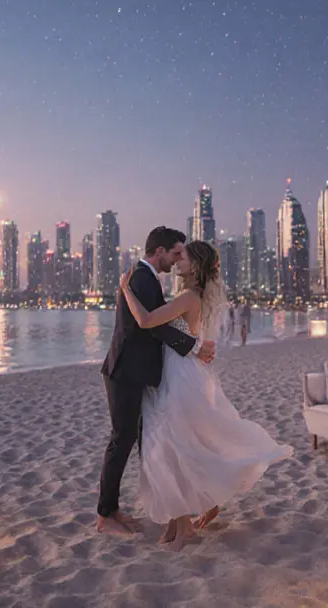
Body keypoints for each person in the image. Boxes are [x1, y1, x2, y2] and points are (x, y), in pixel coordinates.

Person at [119, 240, 292, 549]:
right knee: (173, 444)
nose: (176, 260)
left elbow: (145, 321)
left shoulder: (188, 296)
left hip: (178, 374)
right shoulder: (191, 295)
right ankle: (178, 521)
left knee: (170, 445)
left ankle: (183, 525)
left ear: (195, 265)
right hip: (184, 370)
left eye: (181, 256)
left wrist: (126, 290)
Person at [96, 227, 216, 537]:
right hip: (125, 373)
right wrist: (194, 346)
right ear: (159, 251)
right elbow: (152, 327)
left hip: (142, 374)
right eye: (176, 253)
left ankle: (130, 509)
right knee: (122, 440)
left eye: (183, 256)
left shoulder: (144, 278)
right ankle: (105, 515)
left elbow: (154, 323)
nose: (178, 260)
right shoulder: (141, 277)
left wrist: (194, 346)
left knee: (148, 442)